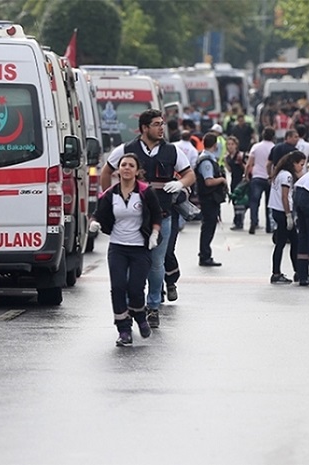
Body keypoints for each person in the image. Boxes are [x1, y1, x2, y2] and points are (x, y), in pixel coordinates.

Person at [100, 109, 195, 328]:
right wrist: (109, 201)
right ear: (144, 128)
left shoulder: (172, 151)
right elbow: (107, 171)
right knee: (128, 266)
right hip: (131, 220)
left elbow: (190, 174)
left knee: (155, 264)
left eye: (162, 124)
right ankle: (127, 308)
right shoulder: (127, 150)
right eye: (156, 124)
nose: (161, 128)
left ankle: (153, 306)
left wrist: (181, 183)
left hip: (161, 217)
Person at [94, 153, 163, 346]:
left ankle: (140, 318)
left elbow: (157, 215)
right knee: (117, 288)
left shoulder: (145, 192)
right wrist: (95, 224)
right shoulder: (111, 193)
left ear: (137, 170)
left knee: (135, 288)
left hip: (140, 247)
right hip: (118, 247)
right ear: (118, 170)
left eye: (130, 165)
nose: (126, 168)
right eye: (123, 165)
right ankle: (123, 329)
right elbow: (98, 214)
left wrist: (154, 234)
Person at [268, 151, 306, 284]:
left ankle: (296, 271)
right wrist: (288, 215)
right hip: (283, 212)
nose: (302, 167)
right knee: (284, 243)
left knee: (292, 242)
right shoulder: (287, 176)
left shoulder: (280, 173)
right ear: (294, 163)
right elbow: (285, 196)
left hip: (277, 211)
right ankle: (278, 273)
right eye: (301, 164)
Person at [195, 133, 227, 267]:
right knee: (208, 227)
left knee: (209, 226)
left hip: (210, 198)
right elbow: (208, 181)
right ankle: (204, 255)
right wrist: (222, 180)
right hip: (208, 198)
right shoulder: (206, 161)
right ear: (215, 145)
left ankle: (205, 253)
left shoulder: (207, 158)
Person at [245, 127, 276, 234]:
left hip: (257, 176)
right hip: (269, 178)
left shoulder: (256, 147)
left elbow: (249, 163)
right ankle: (269, 226)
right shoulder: (274, 148)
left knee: (254, 202)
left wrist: (246, 175)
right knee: (269, 204)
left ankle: (254, 222)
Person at [224, 136, 248, 230]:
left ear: (236, 145)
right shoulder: (228, 157)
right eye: (228, 144)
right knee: (235, 201)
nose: (230, 146)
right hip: (234, 181)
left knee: (240, 202)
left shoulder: (240, 155)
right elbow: (230, 170)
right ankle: (237, 221)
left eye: (232, 144)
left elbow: (246, 167)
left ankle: (239, 222)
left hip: (241, 181)